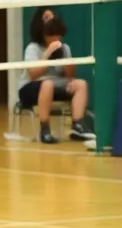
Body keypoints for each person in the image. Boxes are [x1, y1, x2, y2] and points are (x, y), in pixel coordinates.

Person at [20, 8, 93, 143]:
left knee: (81, 84)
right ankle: (45, 129)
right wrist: (48, 54)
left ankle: (77, 125)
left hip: (56, 86)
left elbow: (71, 75)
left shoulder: (65, 48)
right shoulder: (33, 48)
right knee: (47, 84)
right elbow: (33, 75)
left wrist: (65, 60)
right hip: (31, 88)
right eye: (46, 17)